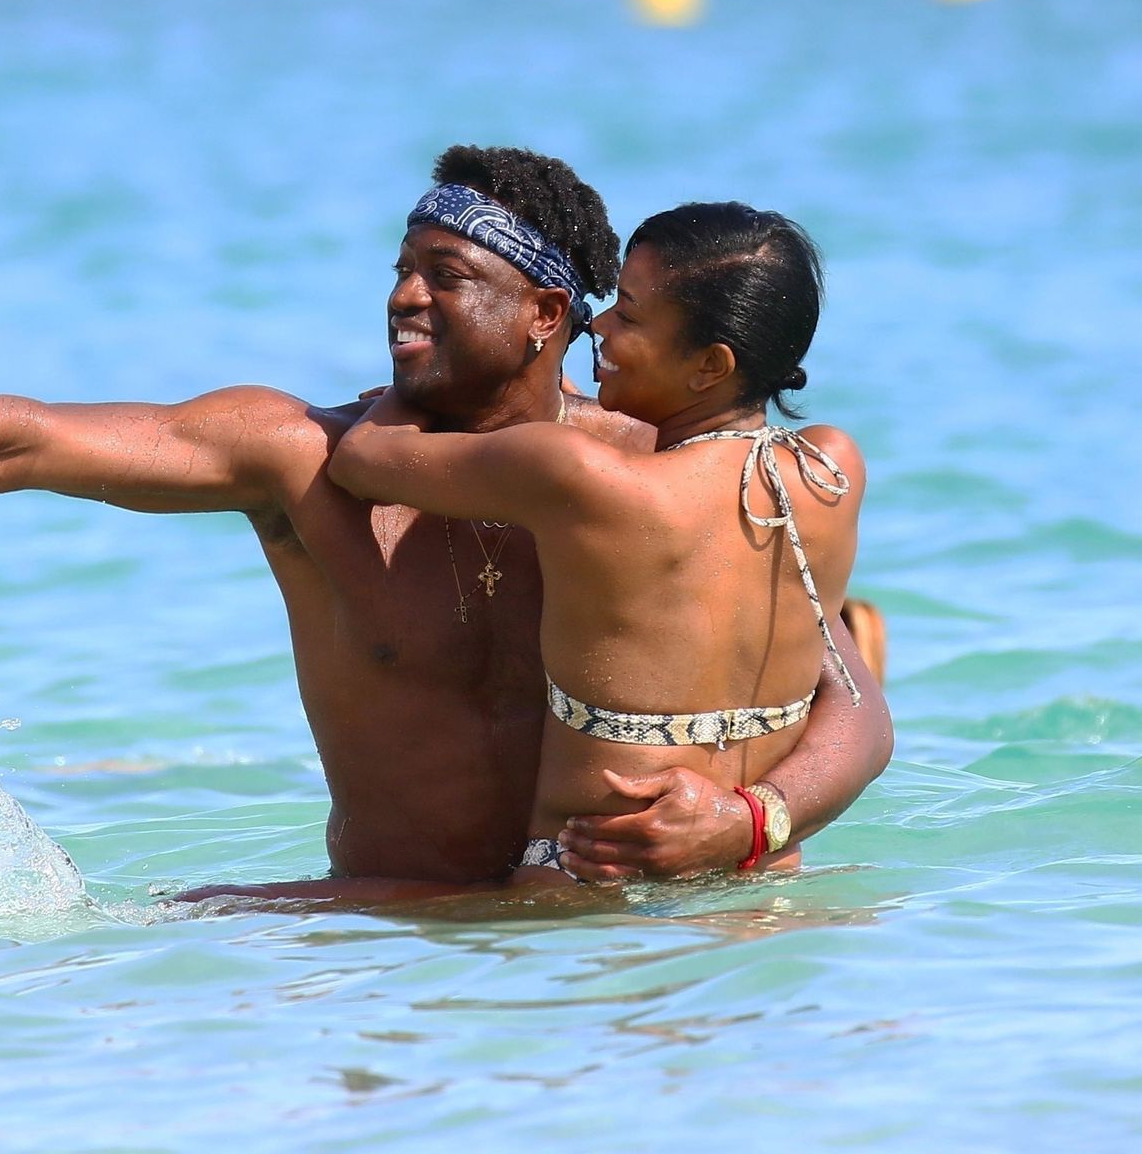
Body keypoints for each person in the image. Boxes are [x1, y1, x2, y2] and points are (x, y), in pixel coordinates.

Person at [0, 146, 892, 894]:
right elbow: (22, 440)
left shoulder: (650, 474)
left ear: (549, 314)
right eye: (400, 270)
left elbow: (850, 695)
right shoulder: (300, 454)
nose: (404, 298)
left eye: (447, 276)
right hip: (397, 957)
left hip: (610, 945)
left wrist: (753, 822)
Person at [332, 201, 861, 881]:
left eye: (629, 317)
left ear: (709, 366)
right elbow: (856, 708)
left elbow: (363, 459)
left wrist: (425, 381)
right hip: (757, 888)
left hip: (584, 889)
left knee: (226, 905)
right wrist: (752, 822)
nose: (596, 324)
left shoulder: (580, 475)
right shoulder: (829, 470)